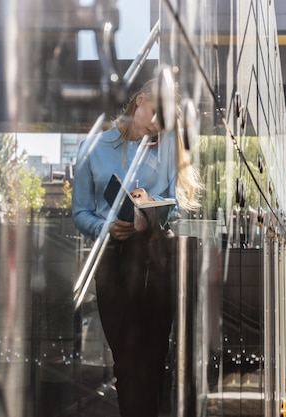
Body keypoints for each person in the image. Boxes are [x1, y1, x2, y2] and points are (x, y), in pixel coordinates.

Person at [71, 79, 200, 417]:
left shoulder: (170, 145)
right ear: (140, 100)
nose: (158, 125)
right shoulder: (91, 147)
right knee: (126, 361)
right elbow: (80, 211)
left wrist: (151, 204)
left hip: (158, 258)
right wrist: (106, 226)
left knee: (155, 356)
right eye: (156, 114)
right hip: (113, 260)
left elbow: (181, 205)